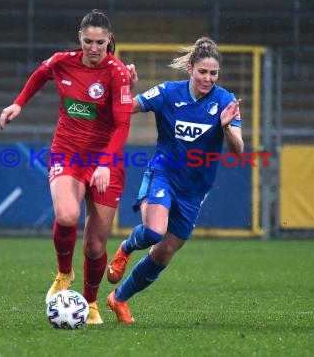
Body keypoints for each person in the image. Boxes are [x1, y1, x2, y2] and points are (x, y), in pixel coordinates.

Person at [0, 9, 134, 325]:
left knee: (95, 244)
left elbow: (123, 125)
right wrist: (19, 103)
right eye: (88, 41)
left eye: (100, 42)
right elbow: (39, 74)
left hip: (105, 160)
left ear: (109, 40)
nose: (94, 48)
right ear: (80, 38)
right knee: (67, 215)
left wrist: (104, 163)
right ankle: (63, 273)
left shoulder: (117, 73)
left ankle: (90, 303)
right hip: (67, 153)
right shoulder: (62, 61)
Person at [105, 37, 244, 323]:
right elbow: (128, 107)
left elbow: (238, 149)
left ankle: (118, 299)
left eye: (213, 73)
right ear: (190, 69)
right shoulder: (168, 92)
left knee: (164, 254)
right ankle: (126, 248)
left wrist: (227, 128)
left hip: (194, 191)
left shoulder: (226, 101)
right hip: (163, 174)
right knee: (155, 231)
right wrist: (123, 87)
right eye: (202, 72)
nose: (208, 78)